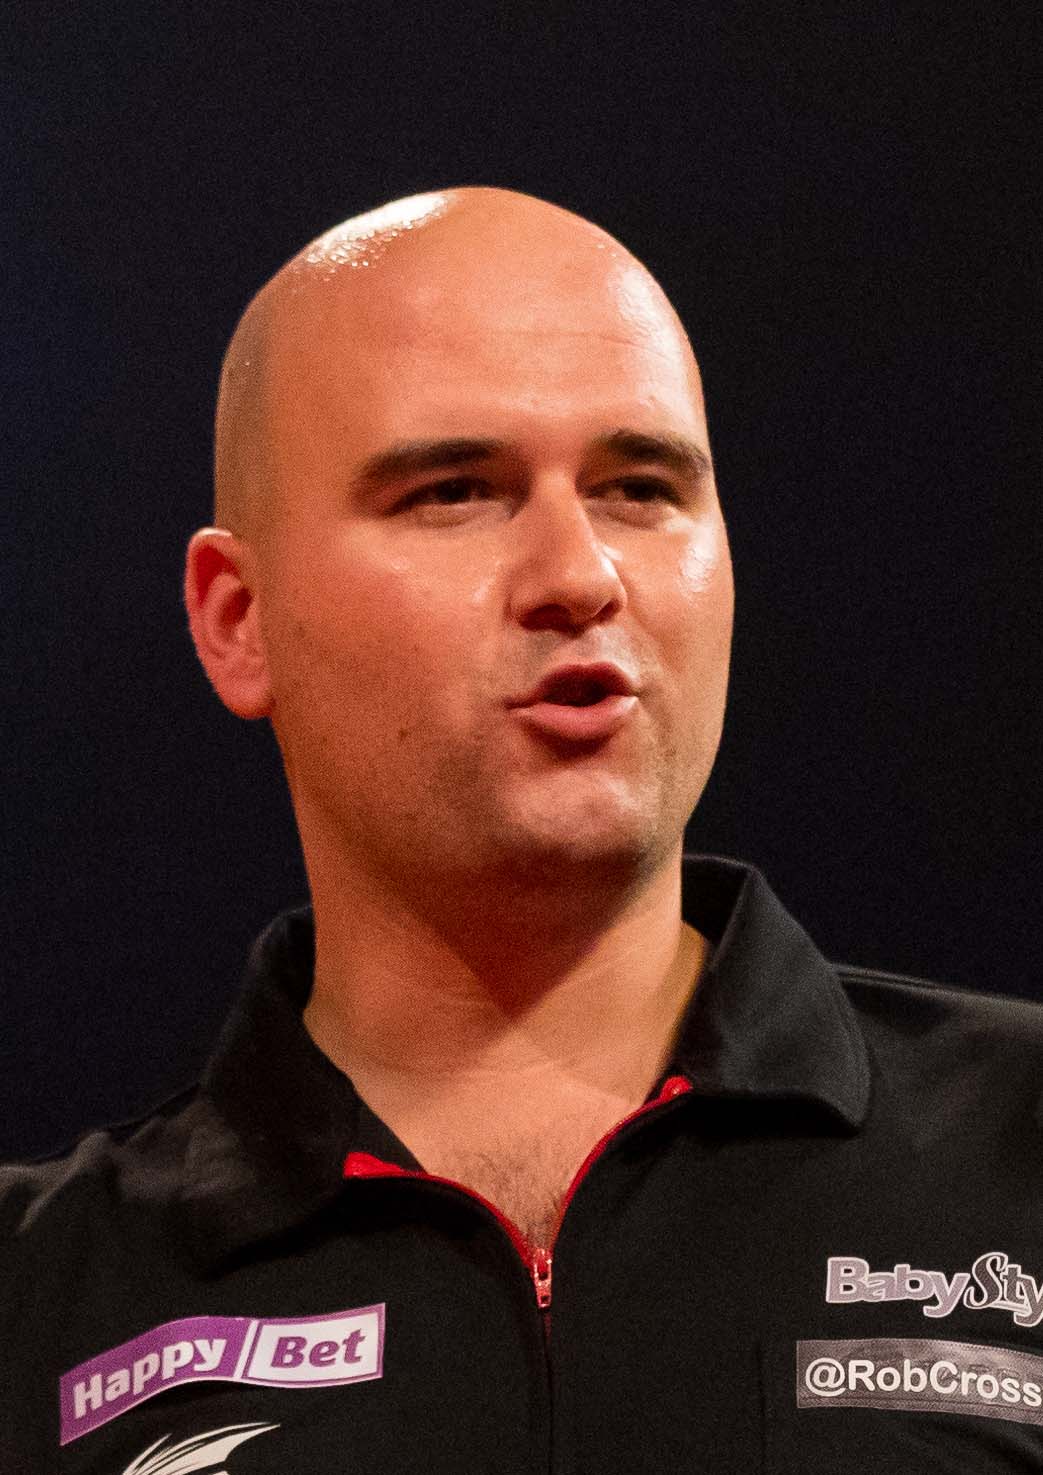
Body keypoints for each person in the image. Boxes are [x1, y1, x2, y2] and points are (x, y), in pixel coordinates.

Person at [4, 188, 1043, 1475]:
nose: (578, 575)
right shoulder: (33, 1301)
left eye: (640, 487)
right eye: (453, 491)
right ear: (237, 618)